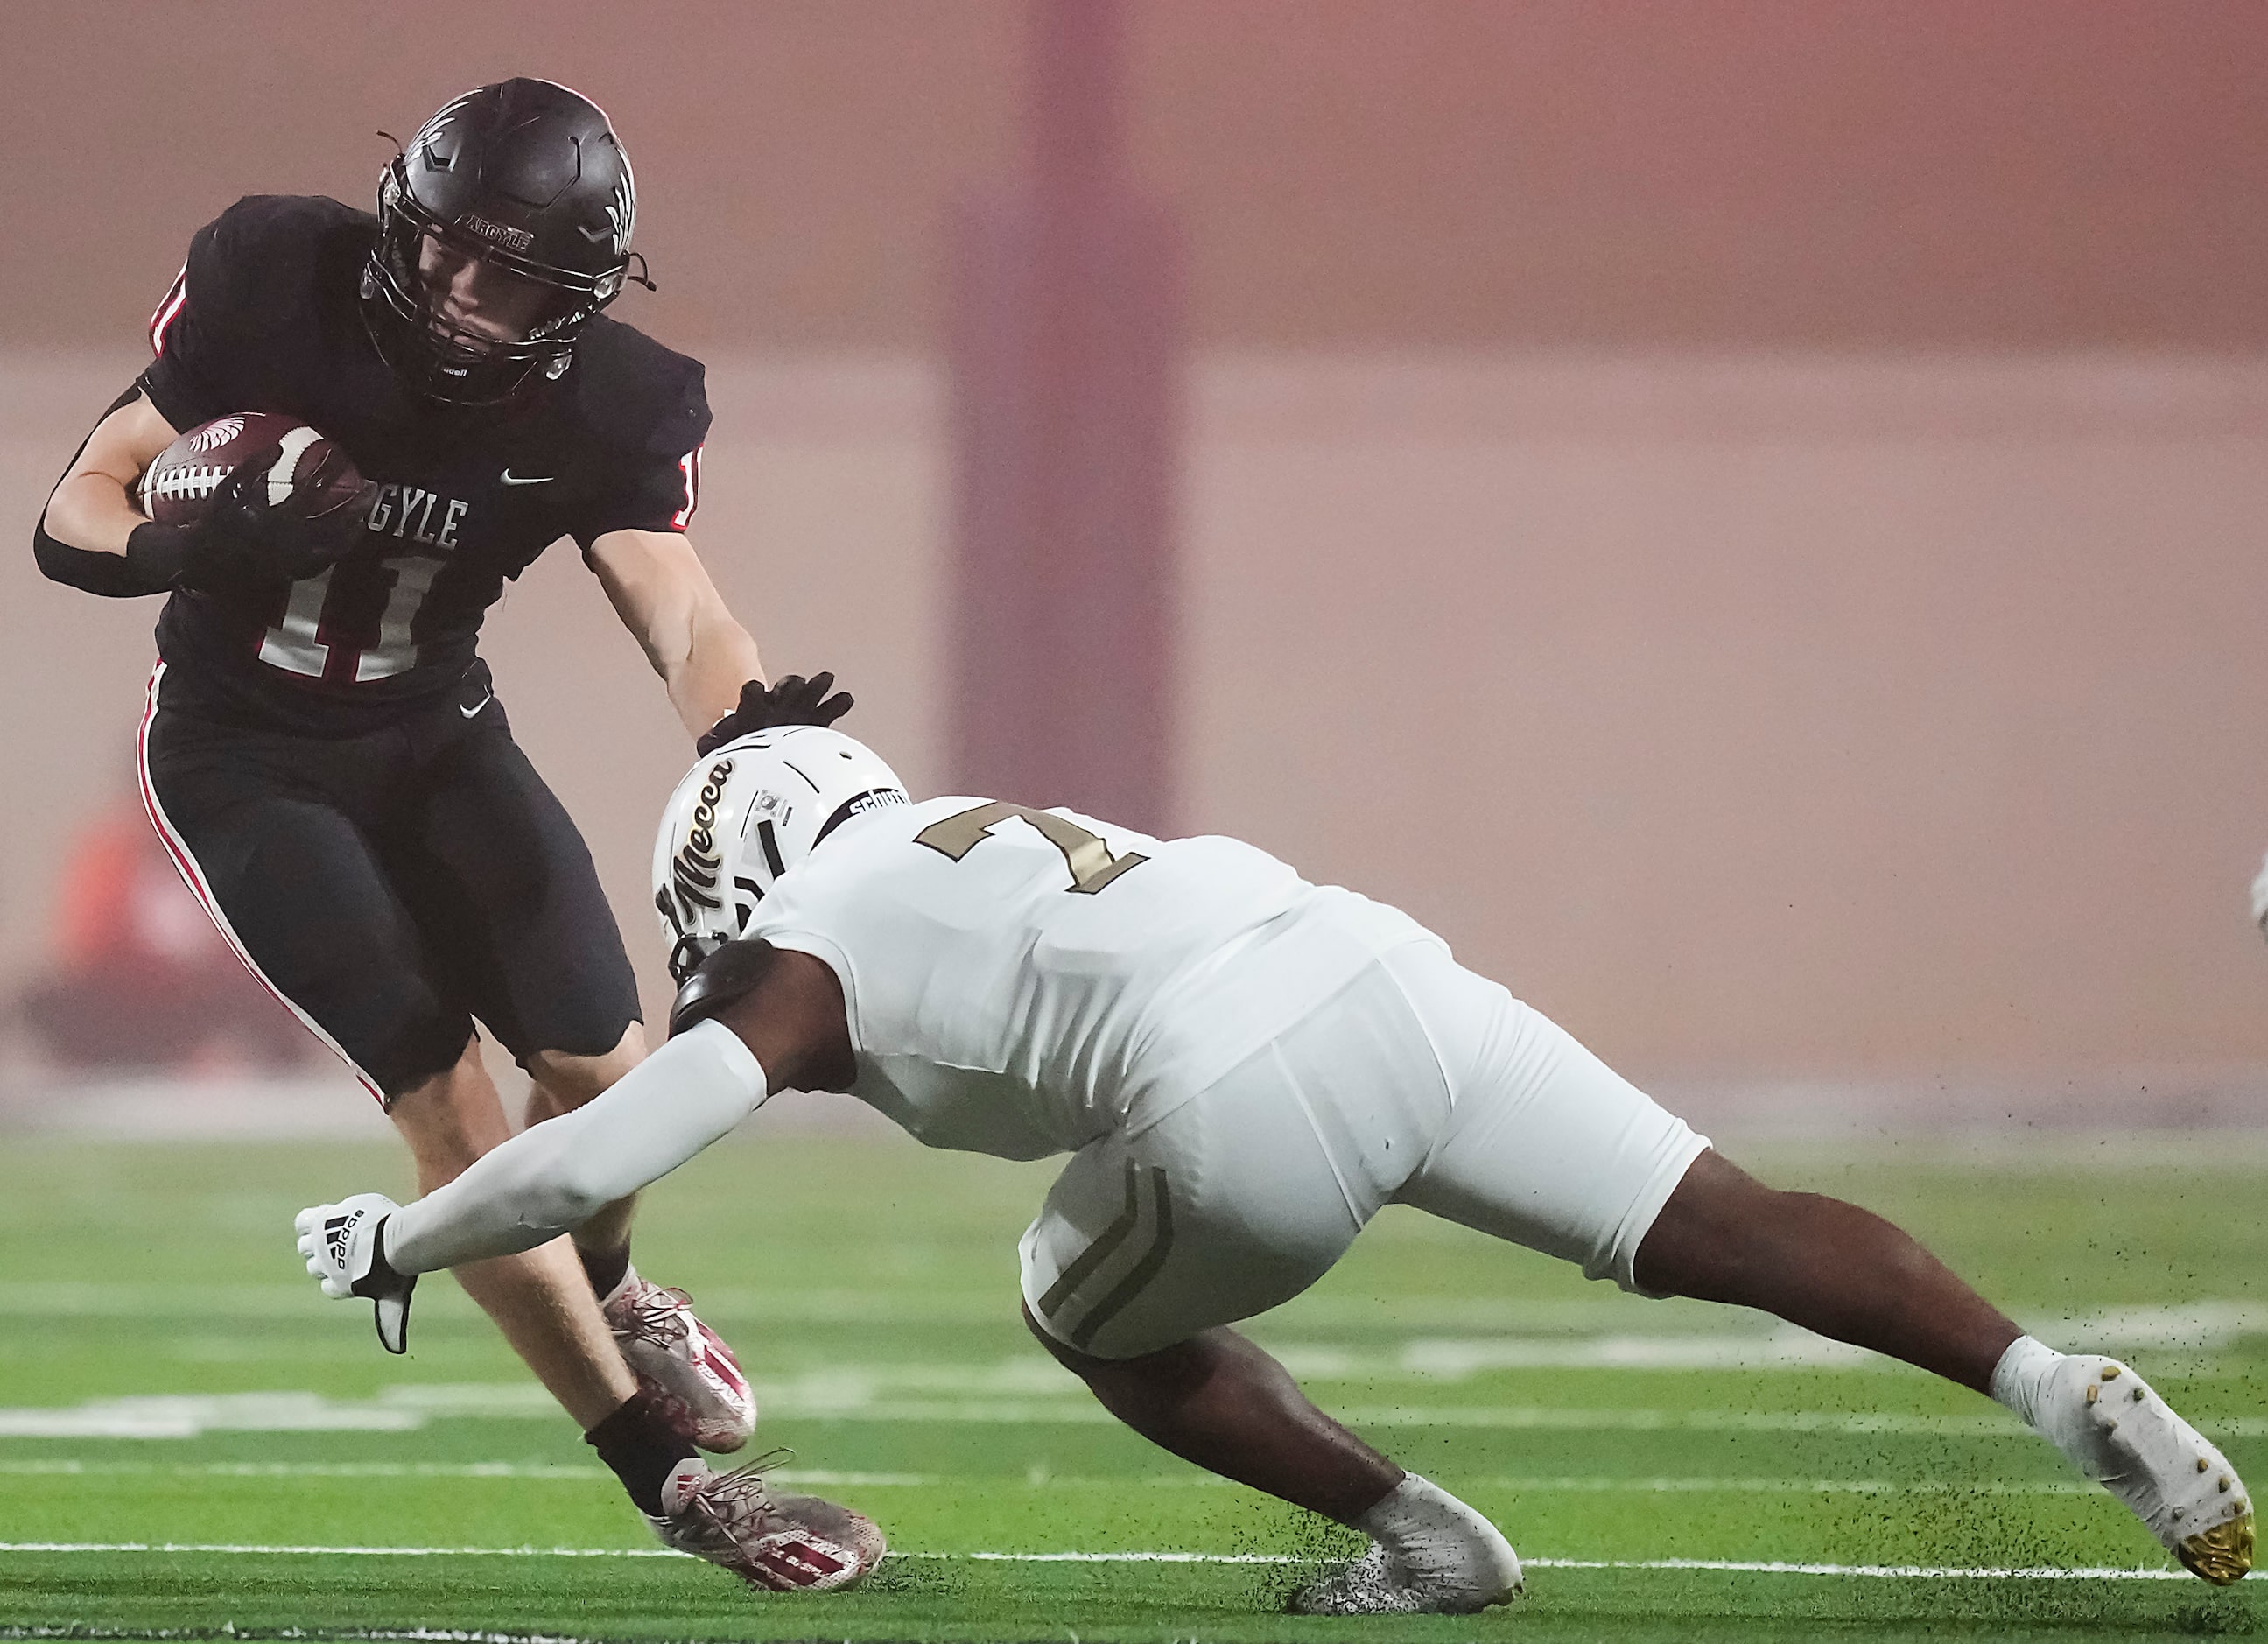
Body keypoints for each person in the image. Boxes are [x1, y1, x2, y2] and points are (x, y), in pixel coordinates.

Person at [297, 725, 2253, 1609]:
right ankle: (2041, 1381)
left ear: (730, 870)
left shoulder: (807, 954)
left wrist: (405, 1225)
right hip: (1375, 965)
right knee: (1719, 1217)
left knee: (1083, 1312)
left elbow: (592, 1159)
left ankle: (1421, 1535)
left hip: (1237, 1087)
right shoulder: (961, 830)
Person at [32, 77, 865, 1580]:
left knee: (613, 1069)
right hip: (244, 756)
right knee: (452, 1107)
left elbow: (674, 603)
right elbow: (72, 509)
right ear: (403, 221)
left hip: (433, 733)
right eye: (448, 252)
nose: (468, 298)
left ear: (581, 290)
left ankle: (608, 1283)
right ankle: (670, 1487)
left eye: (516, 273)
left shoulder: (615, 395)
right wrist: (190, 540)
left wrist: (748, 735)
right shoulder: (276, 278)